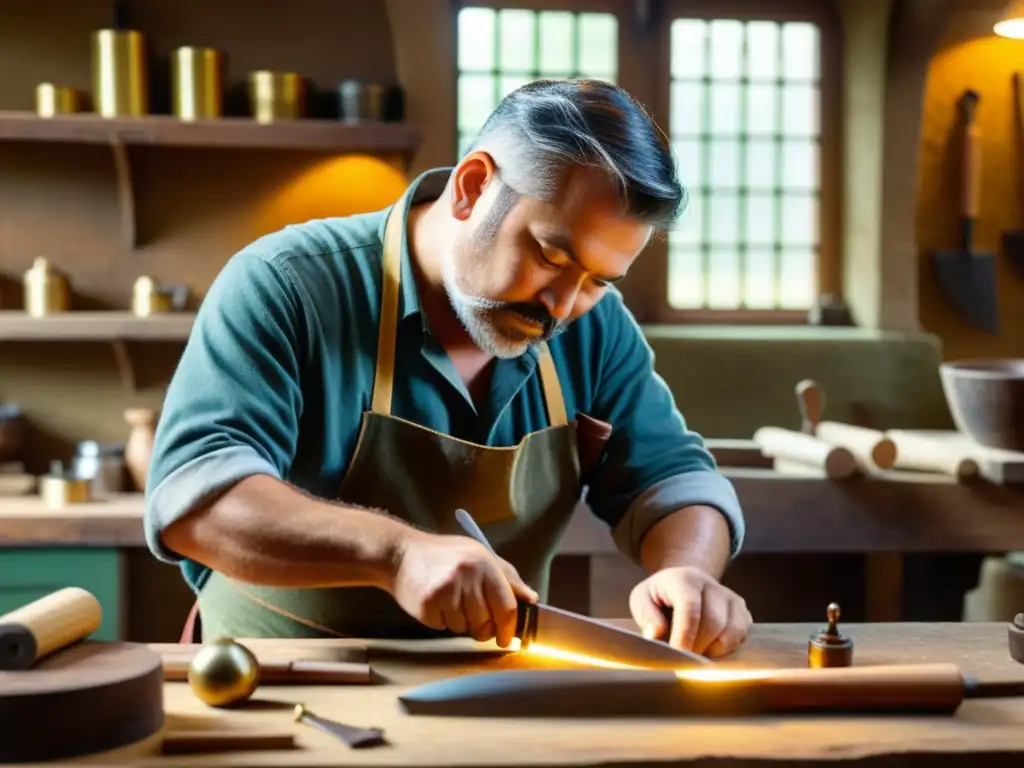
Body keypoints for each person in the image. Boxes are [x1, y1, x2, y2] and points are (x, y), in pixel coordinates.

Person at [144, 78, 752, 658]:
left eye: (597, 279)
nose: (562, 307)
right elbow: (197, 502)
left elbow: (673, 481)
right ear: (471, 186)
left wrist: (688, 574)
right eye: (549, 254)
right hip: (280, 682)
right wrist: (397, 555)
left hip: (494, 684)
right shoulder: (287, 285)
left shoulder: (596, 325)